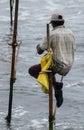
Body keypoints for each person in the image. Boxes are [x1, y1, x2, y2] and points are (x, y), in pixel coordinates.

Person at [28, 13, 75, 108]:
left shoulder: (52, 34)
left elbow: (40, 50)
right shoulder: (70, 32)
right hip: (68, 66)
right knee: (48, 65)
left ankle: (54, 87)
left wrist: (38, 46)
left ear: (53, 23)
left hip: (57, 65)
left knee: (32, 70)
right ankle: (55, 86)